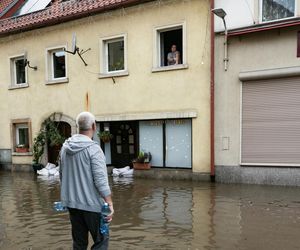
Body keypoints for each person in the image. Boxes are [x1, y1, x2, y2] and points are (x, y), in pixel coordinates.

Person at [60, 111, 114, 250]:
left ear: (78, 126)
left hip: (73, 205)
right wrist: (109, 203)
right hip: (93, 206)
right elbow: (100, 181)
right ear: (94, 126)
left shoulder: (65, 148)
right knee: (101, 241)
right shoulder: (94, 149)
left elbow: (61, 176)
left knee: (79, 243)